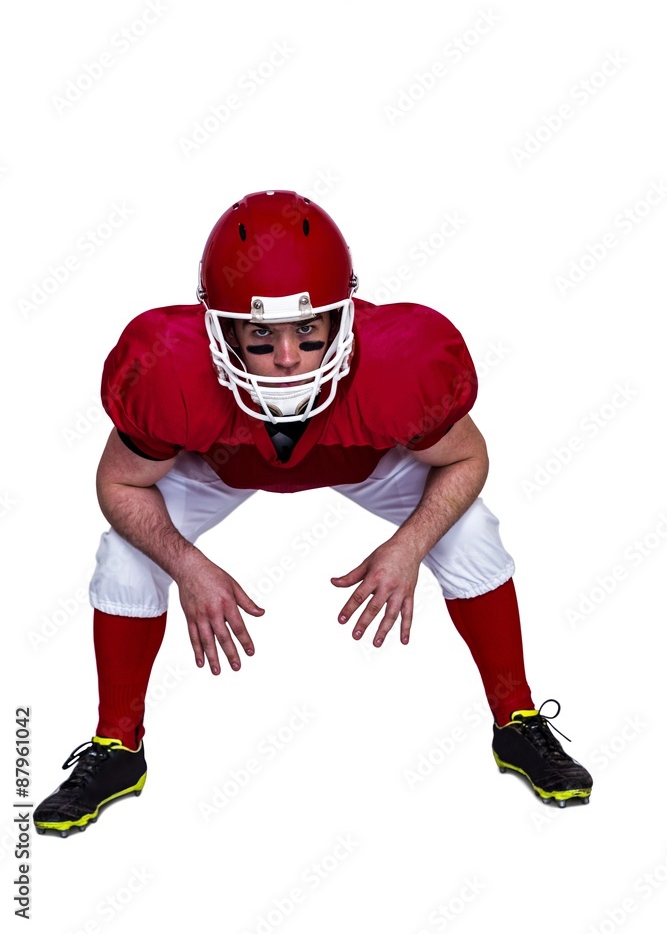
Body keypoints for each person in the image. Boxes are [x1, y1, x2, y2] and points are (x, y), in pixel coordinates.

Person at [34, 189, 592, 836]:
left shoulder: (396, 368)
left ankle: (516, 722)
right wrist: (187, 566)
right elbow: (120, 484)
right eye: (261, 336)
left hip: (366, 458)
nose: (291, 358)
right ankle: (116, 749)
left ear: (343, 318)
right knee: (125, 554)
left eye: (307, 329)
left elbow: (467, 458)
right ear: (220, 329)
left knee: (469, 533)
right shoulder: (171, 372)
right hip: (219, 461)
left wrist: (408, 545)